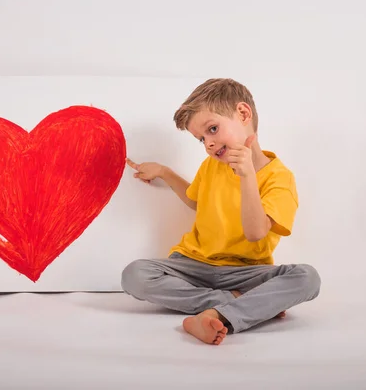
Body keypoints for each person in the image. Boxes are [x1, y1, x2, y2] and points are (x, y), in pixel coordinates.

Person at [122, 78, 320, 345]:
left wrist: (247, 176)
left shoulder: (279, 178)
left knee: (308, 278)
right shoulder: (211, 166)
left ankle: (214, 314)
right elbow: (196, 201)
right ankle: (238, 304)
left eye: (213, 129)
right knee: (135, 275)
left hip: (247, 272)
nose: (208, 144)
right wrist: (165, 172)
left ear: (243, 114)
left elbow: (255, 232)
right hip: (192, 265)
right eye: (201, 139)